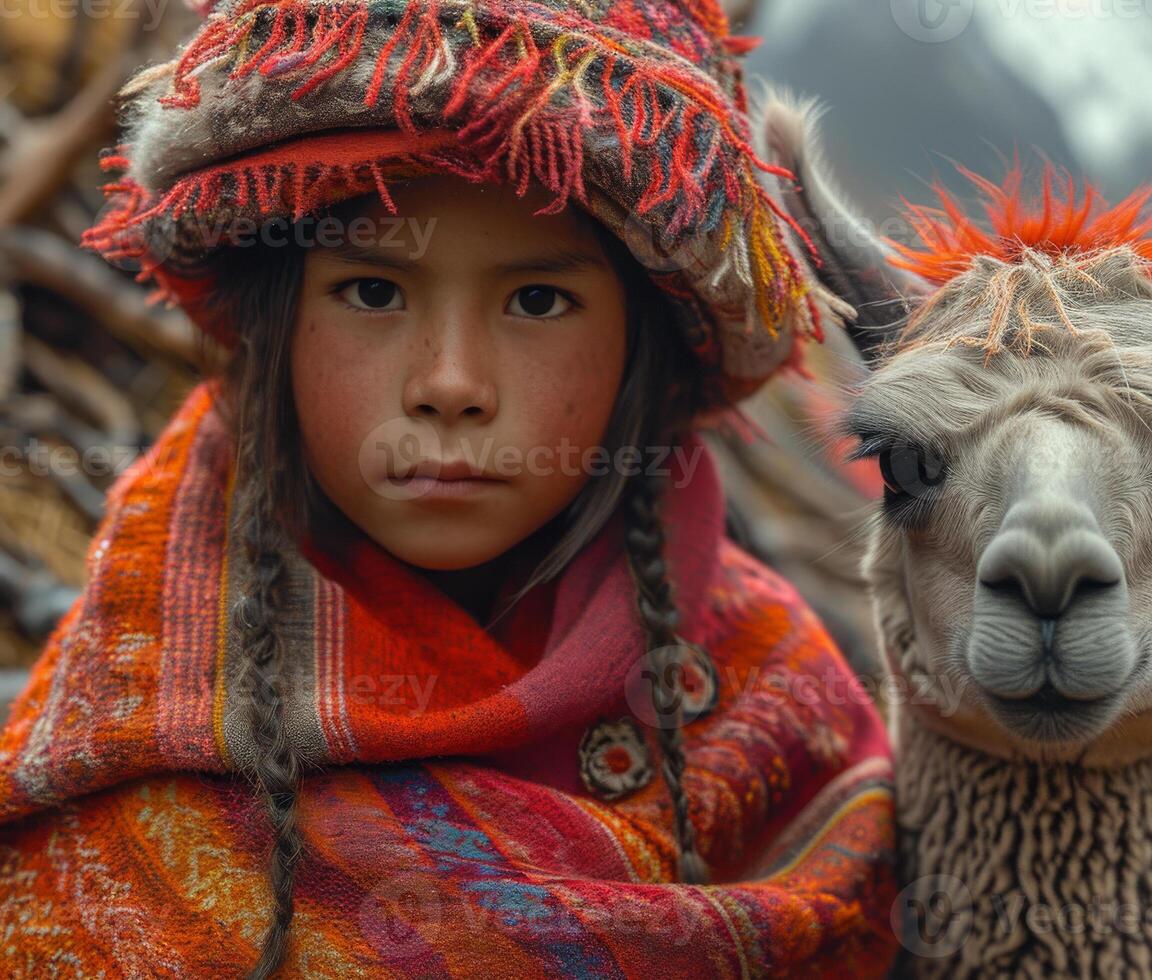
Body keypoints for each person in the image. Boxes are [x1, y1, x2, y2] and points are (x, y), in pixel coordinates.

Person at [0, 1, 897, 975]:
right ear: (275, 322)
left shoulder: (783, 716)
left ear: (649, 350)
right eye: (375, 292)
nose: (451, 385)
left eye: (538, 300)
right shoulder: (136, 704)